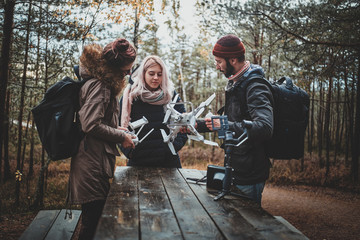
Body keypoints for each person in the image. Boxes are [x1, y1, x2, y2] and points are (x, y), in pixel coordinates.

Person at [68, 38, 137, 240]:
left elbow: (97, 121)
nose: (128, 74)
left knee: (94, 222)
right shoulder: (101, 86)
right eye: (126, 70)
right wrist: (120, 136)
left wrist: (119, 129)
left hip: (94, 160)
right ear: (116, 68)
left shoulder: (101, 82)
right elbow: (90, 124)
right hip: (91, 165)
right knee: (93, 225)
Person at [199, 34, 274, 206]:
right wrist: (197, 126)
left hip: (250, 174)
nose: (217, 66)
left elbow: (264, 127)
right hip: (235, 168)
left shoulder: (255, 86)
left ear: (232, 60)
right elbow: (233, 122)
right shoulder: (237, 83)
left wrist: (223, 124)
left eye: (219, 61)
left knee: (246, 228)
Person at [120, 55, 187, 168]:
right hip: (138, 161)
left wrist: (172, 148)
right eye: (151, 73)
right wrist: (130, 152)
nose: (156, 77)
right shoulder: (131, 96)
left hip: (168, 162)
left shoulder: (171, 95)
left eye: (159, 74)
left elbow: (184, 123)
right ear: (143, 74)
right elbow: (118, 128)